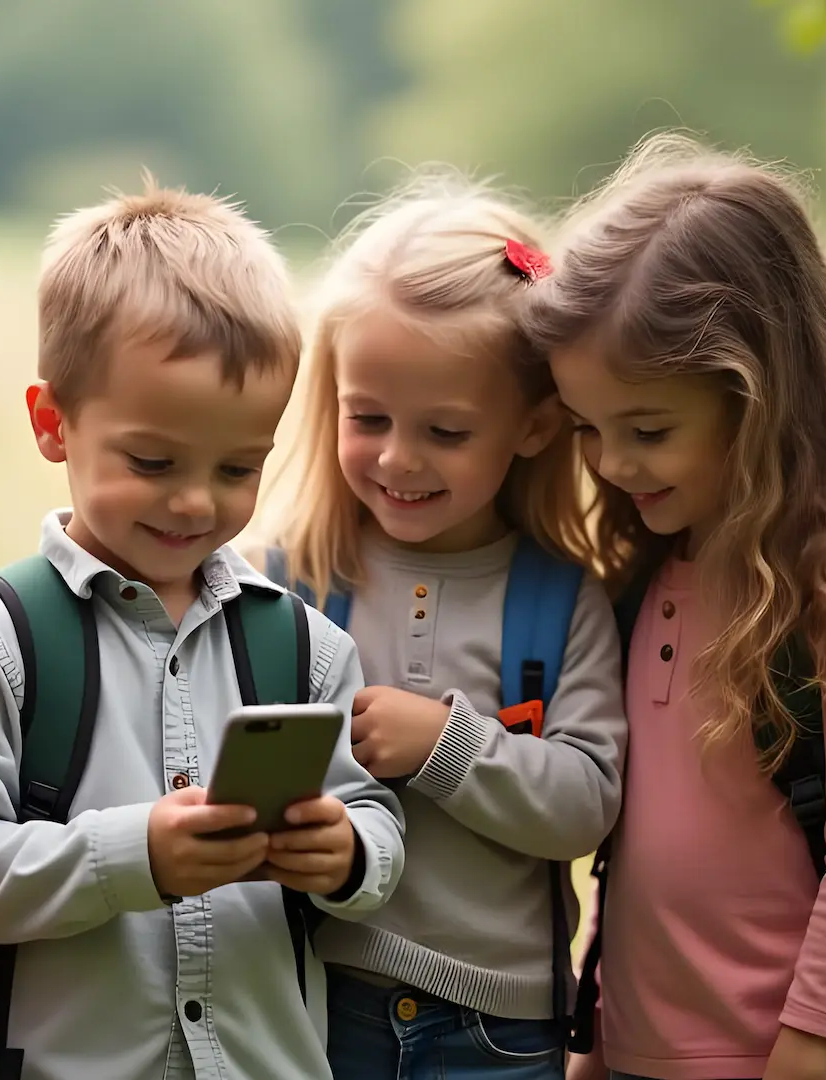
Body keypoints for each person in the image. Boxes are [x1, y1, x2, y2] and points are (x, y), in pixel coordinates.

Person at [0, 180, 407, 1080]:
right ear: (53, 423)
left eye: (238, 467)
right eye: (152, 460)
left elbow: (374, 819)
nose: (194, 500)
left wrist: (346, 851)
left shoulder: (305, 647)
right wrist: (134, 855)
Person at [519, 133, 826, 1080]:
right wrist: (601, 1035)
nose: (609, 463)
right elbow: (643, 853)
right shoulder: (647, 575)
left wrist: (805, 1055)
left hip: (811, 1062)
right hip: (647, 1055)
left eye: (647, 430)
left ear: (762, 400)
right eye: (590, 430)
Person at [263, 174, 627, 1080]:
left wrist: (447, 745)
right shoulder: (290, 580)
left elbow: (587, 802)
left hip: (499, 1030)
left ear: (535, 426)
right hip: (313, 994)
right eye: (369, 418)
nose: (397, 458)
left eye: (445, 432)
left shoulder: (560, 600)